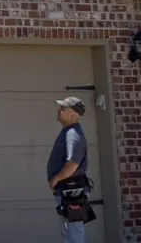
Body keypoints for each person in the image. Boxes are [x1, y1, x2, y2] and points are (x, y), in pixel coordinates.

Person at [47, 96, 90, 242]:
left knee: (74, 233)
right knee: (68, 232)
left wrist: (55, 179)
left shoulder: (73, 135)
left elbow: (72, 164)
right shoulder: (68, 131)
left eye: (63, 108)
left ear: (73, 114)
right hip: (67, 191)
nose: (59, 110)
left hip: (71, 191)